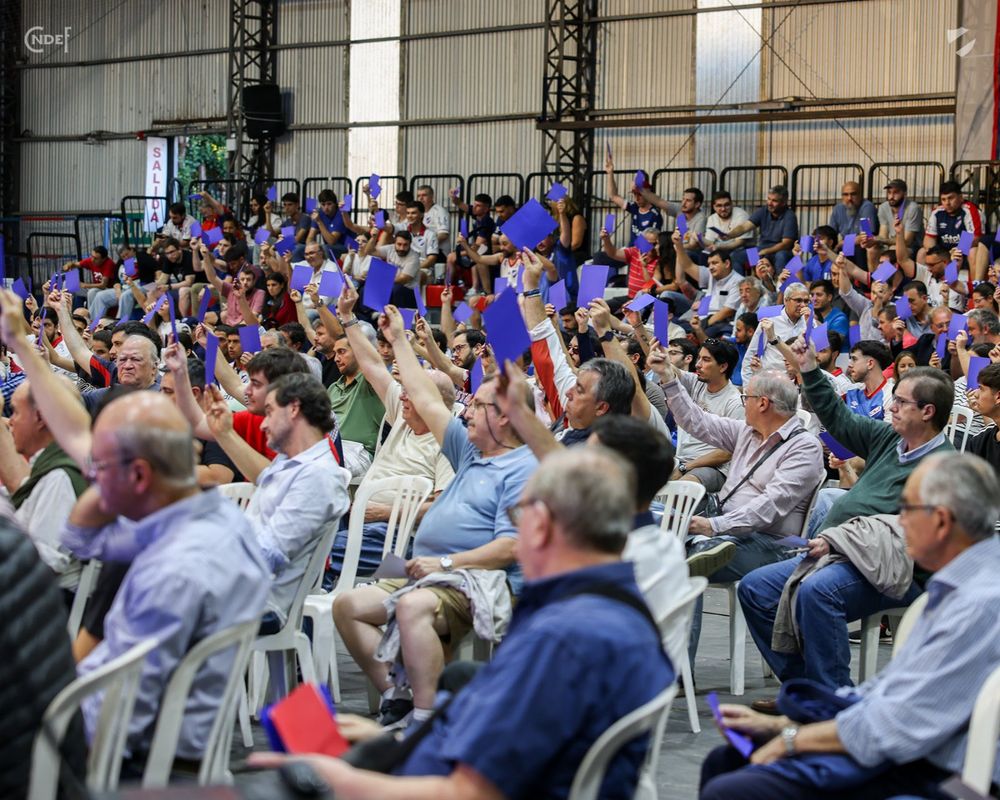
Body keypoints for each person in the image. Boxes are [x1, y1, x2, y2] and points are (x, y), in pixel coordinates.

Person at [253, 447, 674, 800]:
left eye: (518, 515)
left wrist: (344, 781)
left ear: (541, 525)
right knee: (458, 678)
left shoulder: (560, 638)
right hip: (447, 763)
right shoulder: (616, 604)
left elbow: (467, 793)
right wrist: (396, 743)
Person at [700, 452, 1000, 800]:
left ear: (942, 522)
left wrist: (794, 739)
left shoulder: (978, 603)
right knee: (730, 760)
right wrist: (784, 724)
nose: (899, 523)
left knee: (733, 786)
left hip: (934, 769)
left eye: (907, 511)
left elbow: (899, 725)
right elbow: (891, 690)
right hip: (906, 747)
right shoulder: (961, 582)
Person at [333, 305, 537, 730]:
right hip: (425, 571)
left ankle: (425, 722)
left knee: (411, 606)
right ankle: (398, 695)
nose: (467, 412)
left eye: (478, 407)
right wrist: (401, 340)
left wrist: (444, 563)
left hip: (474, 579)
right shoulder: (470, 452)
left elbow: (510, 548)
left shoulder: (523, 469)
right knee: (348, 604)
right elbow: (426, 399)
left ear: (505, 417)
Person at [60, 392, 270, 763]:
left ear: (140, 474)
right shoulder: (220, 518)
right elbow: (81, 540)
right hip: (173, 735)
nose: (90, 477)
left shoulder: (173, 571)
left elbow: (111, 724)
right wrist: (112, 479)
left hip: (136, 761)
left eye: (99, 468)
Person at [738, 339, 954, 694]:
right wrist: (808, 369)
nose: (892, 407)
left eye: (900, 402)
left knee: (817, 592)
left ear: (927, 412)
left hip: (892, 568)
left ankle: (835, 701)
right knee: (756, 588)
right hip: (840, 553)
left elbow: (913, 538)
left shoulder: (942, 467)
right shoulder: (888, 438)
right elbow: (838, 419)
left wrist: (841, 540)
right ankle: (809, 690)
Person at [649, 343, 824, 655]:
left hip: (771, 544)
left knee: (681, 563)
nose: (742, 403)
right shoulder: (747, 431)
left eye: (747, 398)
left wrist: (714, 525)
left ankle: (673, 671)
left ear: (763, 404)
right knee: (652, 517)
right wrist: (668, 378)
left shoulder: (804, 448)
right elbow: (695, 420)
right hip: (727, 527)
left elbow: (769, 508)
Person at [324, 284, 456, 578]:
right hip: (358, 521)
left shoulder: (449, 443)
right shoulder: (402, 415)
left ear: (434, 403)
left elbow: (441, 507)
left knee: (320, 551)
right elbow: (371, 365)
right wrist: (347, 316)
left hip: (398, 536)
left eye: (413, 393)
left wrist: (383, 512)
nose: (403, 396)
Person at [207, 372, 350, 632]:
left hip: (260, 601)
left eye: (269, 412)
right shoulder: (289, 462)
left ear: (294, 408)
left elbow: (267, 555)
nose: (262, 425)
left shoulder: (316, 476)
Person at [0, 516, 87, 798]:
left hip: (33, 773)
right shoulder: (15, 546)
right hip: (57, 763)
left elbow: (70, 548)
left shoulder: (56, 478)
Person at [0, 379, 88, 585]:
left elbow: (47, 562)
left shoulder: (59, 478)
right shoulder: (54, 464)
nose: (10, 421)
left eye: (16, 412)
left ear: (40, 418)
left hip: (49, 606)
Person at [670, 339, 744, 491]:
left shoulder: (735, 402)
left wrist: (685, 468)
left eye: (706, 360)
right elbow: (665, 368)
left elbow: (726, 453)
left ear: (723, 366)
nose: (698, 364)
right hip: (681, 461)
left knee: (682, 488)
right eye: (699, 358)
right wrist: (639, 328)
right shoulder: (697, 382)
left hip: (713, 468)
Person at [741, 281, 810, 383]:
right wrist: (747, 389)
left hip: (798, 384)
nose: (803, 305)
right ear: (786, 300)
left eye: (806, 301)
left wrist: (810, 325)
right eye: (798, 300)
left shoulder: (809, 321)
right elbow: (751, 356)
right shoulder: (770, 318)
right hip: (770, 382)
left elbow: (816, 358)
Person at [725, 185, 799, 271]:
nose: (769, 203)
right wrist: (729, 235)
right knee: (735, 256)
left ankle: (780, 283)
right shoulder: (763, 211)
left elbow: (786, 244)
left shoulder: (790, 216)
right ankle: (742, 283)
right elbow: (744, 227)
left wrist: (766, 251)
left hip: (780, 251)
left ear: (783, 202)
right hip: (762, 249)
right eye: (768, 199)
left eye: (774, 201)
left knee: (781, 256)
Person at [843, 341, 894, 421]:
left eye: (854, 359)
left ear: (870, 364)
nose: (849, 365)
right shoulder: (851, 391)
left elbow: (888, 433)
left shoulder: (891, 395)